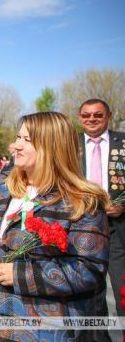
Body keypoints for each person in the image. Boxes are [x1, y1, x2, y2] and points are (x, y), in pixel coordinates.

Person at [0, 111, 110, 341]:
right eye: (18, 137)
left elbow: (90, 269)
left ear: (52, 147)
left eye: (27, 140)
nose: (15, 146)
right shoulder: (3, 186)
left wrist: (21, 275)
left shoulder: (82, 202)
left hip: (48, 329)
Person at [77, 98, 125, 341]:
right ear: (79, 117)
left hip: (119, 231)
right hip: (82, 229)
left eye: (97, 115)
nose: (92, 119)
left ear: (108, 116)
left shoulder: (123, 142)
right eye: (86, 115)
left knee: (123, 293)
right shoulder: (69, 145)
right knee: (89, 294)